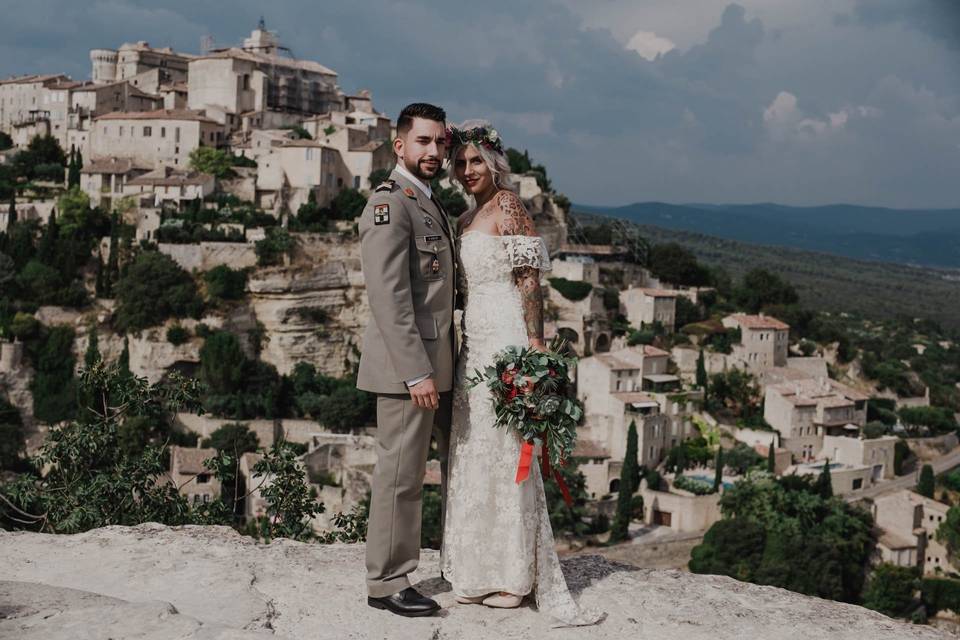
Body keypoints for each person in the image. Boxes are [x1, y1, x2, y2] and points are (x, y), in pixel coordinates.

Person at [439, 120, 599, 625]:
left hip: (508, 337)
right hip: (474, 344)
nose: (467, 171)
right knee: (473, 448)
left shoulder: (509, 205)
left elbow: (528, 279)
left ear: (494, 163)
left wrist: (533, 345)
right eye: (460, 163)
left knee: (509, 450)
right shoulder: (466, 217)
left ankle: (512, 575)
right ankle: (475, 569)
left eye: (475, 162)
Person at [356, 103, 456, 617]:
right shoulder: (389, 205)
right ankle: (386, 582)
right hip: (407, 370)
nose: (434, 151)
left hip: (436, 364)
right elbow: (390, 298)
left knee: (416, 474)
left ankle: (408, 570)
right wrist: (416, 371)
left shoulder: (426, 201)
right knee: (399, 476)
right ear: (400, 146)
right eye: (422, 142)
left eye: (440, 142)